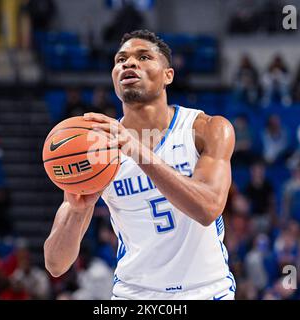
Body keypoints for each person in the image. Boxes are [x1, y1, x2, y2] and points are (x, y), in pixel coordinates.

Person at [44, 30, 236, 300]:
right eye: (120, 59)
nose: (129, 63)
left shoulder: (206, 129)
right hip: (134, 295)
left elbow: (208, 209)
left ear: (168, 75)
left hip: (207, 292)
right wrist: (77, 211)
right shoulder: (100, 148)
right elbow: (55, 264)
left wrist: (138, 151)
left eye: (143, 56)